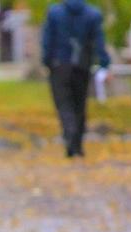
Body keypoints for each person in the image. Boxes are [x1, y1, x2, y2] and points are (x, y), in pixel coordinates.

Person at [41, 0, 110, 158]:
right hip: (82, 65)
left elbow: (47, 39)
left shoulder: (54, 13)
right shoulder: (93, 14)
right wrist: (104, 62)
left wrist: (47, 61)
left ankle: (70, 133)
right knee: (80, 104)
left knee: (63, 103)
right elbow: (99, 41)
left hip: (59, 65)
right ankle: (77, 144)